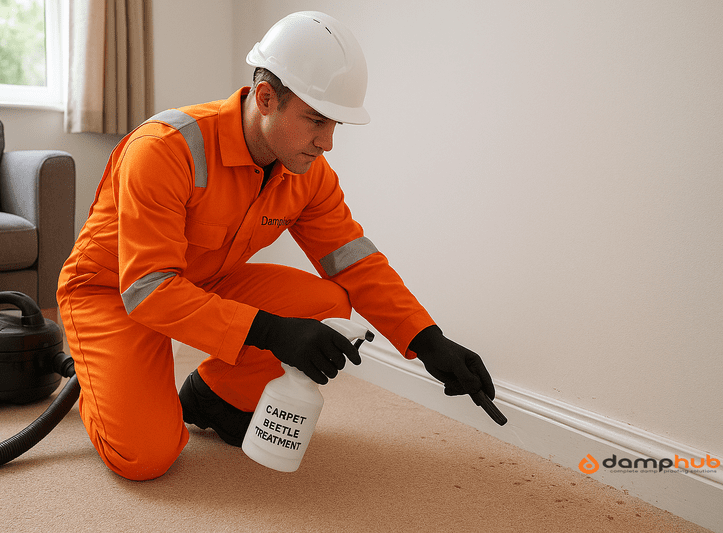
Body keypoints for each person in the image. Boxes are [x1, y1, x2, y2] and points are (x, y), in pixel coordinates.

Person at [56, 11, 496, 481]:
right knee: (146, 456)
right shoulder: (165, 149)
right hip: (114, 292)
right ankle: (98, 377)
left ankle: (214, 397)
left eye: (335, 126)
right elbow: (149, 290)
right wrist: (270, 332)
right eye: (315, 120)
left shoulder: (307, 175)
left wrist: (428, 342)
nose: (326, 142)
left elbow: (356, 262)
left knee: (327, 302)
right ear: (266, 98)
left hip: (205, 282)